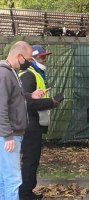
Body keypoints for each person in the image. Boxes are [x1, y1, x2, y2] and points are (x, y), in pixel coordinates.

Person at [0, 41, 45, 200]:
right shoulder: (4, 74)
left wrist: (30, 96)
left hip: (11, 134)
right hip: (9, 136)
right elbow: (1, 107)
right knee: (13, 179)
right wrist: (7, 135)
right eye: (27, 59)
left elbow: (14, 98)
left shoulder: (11, 72)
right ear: (19, 57)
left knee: (5, 178)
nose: (29, 62)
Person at [18, 45, 60, 200]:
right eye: (42, 57)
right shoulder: (29, 75)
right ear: (32, 58)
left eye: (45, 56)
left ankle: (26, 192)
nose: (45, 59)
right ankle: (25, 194)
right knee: (30, 160)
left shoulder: (35, 73)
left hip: (32, 123)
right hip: (30, 125)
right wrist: (50, 102)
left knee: (30, 160)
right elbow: (27, 102)